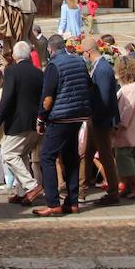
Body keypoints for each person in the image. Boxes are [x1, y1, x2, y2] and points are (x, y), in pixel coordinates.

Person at [32, 34, 92, 217]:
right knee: (71, 158)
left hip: (60, 117)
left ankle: (53, 202)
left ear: (50, 49)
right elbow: (88, 85)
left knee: (47, 156)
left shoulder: (53, 66)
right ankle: (72, 201)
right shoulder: (79, 61)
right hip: (78, 116)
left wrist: (41, 119)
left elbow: (48, 96)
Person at [0, 40, 43, 205]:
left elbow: (7, 98)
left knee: (8, 153)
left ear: (15, 55)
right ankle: (22, 192)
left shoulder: (12, 71)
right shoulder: (38, 72)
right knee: (22, 156)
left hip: (18, 121)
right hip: (35, 121)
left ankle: (31, 186)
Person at [82, 35, 120, 206]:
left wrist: (96, 117)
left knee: (105, 156)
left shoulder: (102, 69)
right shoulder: (100, 67)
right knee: (87, 154)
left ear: (88, 52)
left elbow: (103, 98)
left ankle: (113, 191)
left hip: (101, 120)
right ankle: (81, 189)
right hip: (96, 119)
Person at [113, 56, 135, 199]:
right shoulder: (130, 87)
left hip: (127, 128)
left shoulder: (132, 88)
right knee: (126, 156)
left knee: (124, 156)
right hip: (129, 128)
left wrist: (120, 123)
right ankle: (127, 184)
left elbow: (128, 108)